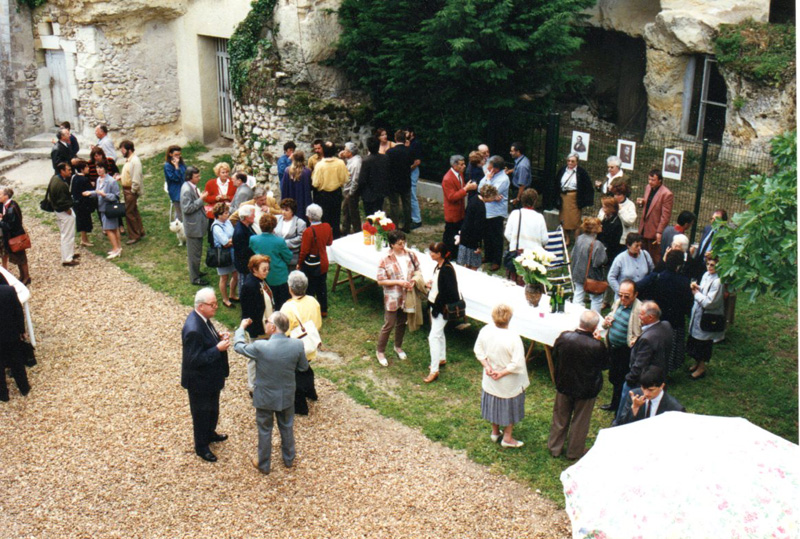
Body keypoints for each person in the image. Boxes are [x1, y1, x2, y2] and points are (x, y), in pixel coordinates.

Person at [234, 312, 308, 474]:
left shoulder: (261, 346)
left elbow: (238, 347)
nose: (265, 323)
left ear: (273, 327)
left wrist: (241, 329)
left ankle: (264, 464)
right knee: (287, 426)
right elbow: (303, 367)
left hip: (265, 397)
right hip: (287, 395)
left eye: (267, 321)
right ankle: (289, 459)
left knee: (265, 429)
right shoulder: (297, 345)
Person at [548, 310, 607, 460]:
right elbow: (605, 364)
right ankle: (574, 452)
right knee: (580, 421)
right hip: (586, 388)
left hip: (564, 383)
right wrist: (600, 342)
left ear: (580, 323)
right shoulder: (597, 346)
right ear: (594, 327)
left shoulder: (564, 337)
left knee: (560, 417)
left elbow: (555, 354)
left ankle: (555, 447)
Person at [181, 288, 231, 463]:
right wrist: (217, 349)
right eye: (213, 304)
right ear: (201, 306)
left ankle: (210, 434)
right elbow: (193, 360)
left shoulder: (204, 319)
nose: (216, 307)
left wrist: (217, 337)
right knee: (201, 414)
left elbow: (206, 340)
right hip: (199, 381)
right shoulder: (193, 329)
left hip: (210, 378)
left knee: (212, 410)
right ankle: (201, 447)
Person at [473, 303, 529, 448]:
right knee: (508, 406)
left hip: (491, 376)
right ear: (509, 318)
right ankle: (507, 438)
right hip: (507, 380)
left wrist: (487, 367)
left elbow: (478, 350)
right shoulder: (513, 337)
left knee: (494, 402)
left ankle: (495, 432)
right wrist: (501, 372)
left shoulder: (486, 330)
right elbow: (517, 363)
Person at [636, 249, 693, 373]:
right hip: (675, 321)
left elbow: (638, 288)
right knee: (672, 347)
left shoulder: (656, 277)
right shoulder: (683, 282)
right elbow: (688, 303)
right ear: (679, 265)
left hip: (656, 319)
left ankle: (653, 366)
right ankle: (668, 368)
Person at [615, 301, 672, 421]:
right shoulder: (666, 326)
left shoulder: (647, 339)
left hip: (642, 379)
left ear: (650, 317)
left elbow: (639, 365)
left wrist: (629, 379)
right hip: (659, 374)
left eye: (641, 314)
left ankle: (619, 422)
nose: (638, 317)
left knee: (626, 405)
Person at [375, 230, 419, 367]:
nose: (403, 246)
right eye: (399, 244)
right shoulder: (385, 259)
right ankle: (380, 351)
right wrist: (398, 282)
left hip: (407, 295)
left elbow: (418, 270)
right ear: (392, 244)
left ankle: (397, 346)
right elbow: (380, 281)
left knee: (402, 322)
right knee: (389, 324)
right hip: (393, 297)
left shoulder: (411, 255)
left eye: (404, 242)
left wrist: (414, 281)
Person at [280, 270, 321, 414]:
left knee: (295, 377)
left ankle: (300, 406)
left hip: (296, 348)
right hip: (310, 346)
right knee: (306, 369)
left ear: (290, 288)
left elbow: (284, 331)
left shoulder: (287, 307)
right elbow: (318, 324)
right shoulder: (313, 301)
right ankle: (311, 392)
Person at [599, 279, 642, 413]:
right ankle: (614, 404)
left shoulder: (639, 310)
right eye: (620, 295)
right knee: (614, 377)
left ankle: (619, 409)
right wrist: (607, 321)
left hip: (625, 351)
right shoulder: (618, 302)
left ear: (635, 295)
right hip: (613, 348)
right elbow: (611, 316)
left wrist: (636, 339)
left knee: (621, 380)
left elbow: (643, 331)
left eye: (627, 296)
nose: (622, 299)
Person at [423, 242, 460, 383]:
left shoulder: (447, 269)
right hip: (435, 306)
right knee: (439, 333)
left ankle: (434, 370)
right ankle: (442, 358)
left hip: (441, 309)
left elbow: (450, 293)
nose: (430, 254)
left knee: (433, 337)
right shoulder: (439, 266)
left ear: (440, 254)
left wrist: (437, 308)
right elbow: (440, 286)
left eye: (433, 252)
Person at [687, 257, 724, 380]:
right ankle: (696, 362)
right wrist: (697, 288)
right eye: (708, 264)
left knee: (703, 343)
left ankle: (702, 367)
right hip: (698, 312)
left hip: (707, 315)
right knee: (695, 341)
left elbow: (710, 302)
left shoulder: (718, 281)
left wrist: (696, 294)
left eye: (712, 265)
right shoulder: (706, 275)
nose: (709, 267)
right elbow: (704, 290)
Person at [250, 213, 293, 310]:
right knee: (282, 303)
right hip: (279, 275)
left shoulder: (253, 239)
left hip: (262, 274)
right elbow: (288, 256)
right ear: (273, 226)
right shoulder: (279, 241)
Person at [616, 366, 685, 425]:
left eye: (651, 390)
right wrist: (634, 408)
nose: (646, 393)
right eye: (643, 388)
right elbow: (621, 425)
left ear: (661, 386)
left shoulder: (675, 408)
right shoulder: (635, 396)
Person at [298, 203, 333, 317]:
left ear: (308, 217)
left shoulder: (308, 231)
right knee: (322, 286)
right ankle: (323, 310)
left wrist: (299, 263)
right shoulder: (327, 226)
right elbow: (329, 242)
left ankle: (311, 311)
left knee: (310, 288)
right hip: (323, 261)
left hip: (311, 264)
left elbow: (304, 251)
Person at [635, 169, 673, 265]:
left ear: (660, 180)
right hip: (644, 227)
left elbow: (665, 216)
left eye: (653, 180)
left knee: (653, 256)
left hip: (654, 229)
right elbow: (650, 203)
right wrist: (642, 202)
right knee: (642, 253)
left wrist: (659, 231)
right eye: (649, 179)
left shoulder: (666, 194)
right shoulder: (648, 187)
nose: (650, 182)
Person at [478, 155, 510, 272]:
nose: (488, 169)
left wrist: (488, 191)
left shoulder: (503, 179)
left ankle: (496, 260)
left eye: (490, 167)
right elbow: (480, 188)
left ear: (496, 169)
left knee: (496, 237)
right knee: (487, 234)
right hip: (487, 209)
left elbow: (489, 193)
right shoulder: (490, 176)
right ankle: (488, 255)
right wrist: (487, 179)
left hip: (497, 212)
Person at [570, 217, 608, 314]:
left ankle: (575, 316)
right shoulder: (597, 244)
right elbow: (599, 261)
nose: (602, 226)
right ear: (595, 228)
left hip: (578, 272)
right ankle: (594, 320)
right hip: (592, 276)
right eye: (600, 225)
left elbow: (572, 254)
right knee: (596, 299)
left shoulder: (579, 238)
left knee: (578, 296)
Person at [441, 154, 476, 257]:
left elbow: (460, 189)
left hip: (460, 211)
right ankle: (447, 253)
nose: (464, 166)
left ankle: (455, 252)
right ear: (454, 165)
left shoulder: (459, 174)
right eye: (461, 164)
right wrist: (466, 189)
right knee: (450, 234)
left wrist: (466, 187)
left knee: (458, 232)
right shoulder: (447, 179)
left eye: (464, 163)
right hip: (452, 213)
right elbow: (451, 197)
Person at [311, 141, 348, 239]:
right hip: (336, 193)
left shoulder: (319, 165)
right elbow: (345, 179)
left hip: (323, 195)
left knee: (325, 219)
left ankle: (325, 240)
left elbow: (315, 183)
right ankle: (335, 239)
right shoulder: (340, 163)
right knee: (336, 218)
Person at [180, 166, 210, 286]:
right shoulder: (187, 189)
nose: (199, 178)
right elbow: (187, 208)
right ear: (189, 177)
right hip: (193, 227)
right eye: (196, 176)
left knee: (197, 252)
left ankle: (196, 272)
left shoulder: (191, 187)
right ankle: (195, 278)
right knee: (194, 254)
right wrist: (201, 199)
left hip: (197, 225)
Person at [0, 284, 30, 402]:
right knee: (16, 361)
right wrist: (22, 331)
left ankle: (3, 394)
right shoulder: (9, 291)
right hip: (10, 334)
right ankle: (24, 388)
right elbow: (18, 312)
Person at [86, 162, 123, 259]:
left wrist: (105, 195)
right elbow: (98, 192)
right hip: (102, 207)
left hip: (109, 208)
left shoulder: (111, 181)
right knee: (114, 228)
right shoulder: (98, 179)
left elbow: (116, 196)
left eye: (101, 167)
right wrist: (91, 193)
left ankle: (116, 248)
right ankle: (118, 247)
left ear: (105, 169)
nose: (98, 170)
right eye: (97, 167)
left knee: (108, 229)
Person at [554, 153, 593, 242]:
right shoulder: (562, 170)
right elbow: (556, 183)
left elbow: (587, 186)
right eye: (568, 161)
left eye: (573, 161)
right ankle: (567, 238)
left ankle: (576, 239)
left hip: (575, 198)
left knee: (576, 220)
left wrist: (585, 200)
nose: (570, 163)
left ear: (577, 162)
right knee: (563, 219)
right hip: (563, 197)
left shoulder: (581, 172)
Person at [457, 184, 496, 270]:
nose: (493, 200)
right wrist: (478, 245)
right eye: (493, 197)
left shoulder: (473, 198)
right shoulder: (481, 207)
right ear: (488, 196)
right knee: (474, 264)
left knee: (464, 262)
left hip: (464, 235)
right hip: (472, 240)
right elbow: (479, 227)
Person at [47, 162, 79, 267]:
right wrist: (67, 209)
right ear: (62, 171)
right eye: (68, 170)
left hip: (59, 210)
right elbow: (61, 201)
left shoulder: (55, 178)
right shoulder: (60, 184)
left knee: (67, 234)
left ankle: (70, 253)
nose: (70, 171)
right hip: (64, 212)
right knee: (67, 235)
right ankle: (67, 259)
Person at [608, 232, 653, 300]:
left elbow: (652, 271)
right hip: (625, 297)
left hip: (642, 295)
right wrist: (621, 292)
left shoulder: (645, 255)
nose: (639, 248)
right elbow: (611, 277)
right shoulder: (620, 258)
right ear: (628, 245)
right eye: (636, 246)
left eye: (640, 245)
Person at [0, 187, 31, 284]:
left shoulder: (10, 208)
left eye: (0, 195)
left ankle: (26, 277)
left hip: (15, 236)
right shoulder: (10, 205)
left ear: (6, 196)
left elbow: (10, 225)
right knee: (18, 257)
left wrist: (1, 221)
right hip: (14, 235)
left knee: (21, 257)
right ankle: (22, 275)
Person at [118, 140, 146, 245]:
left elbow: (136, 177)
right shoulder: (129, 161)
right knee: (134, 211)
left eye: (123, 149)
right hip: (127, 189)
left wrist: (133, 191)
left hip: (130, 191)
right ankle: (140, 231)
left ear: (129, 149)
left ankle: (134, 235)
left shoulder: (135, 161)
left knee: (129, 213)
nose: (122, 152)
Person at [504, 188, 549, 253]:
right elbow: (545, 240)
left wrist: (515, 241)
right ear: (535, 201)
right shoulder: (539, 217)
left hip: (516, 252)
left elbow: (507, 234)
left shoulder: (515, 214)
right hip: (534, 254)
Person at [687, 209, 727, 281]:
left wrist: (714, 255)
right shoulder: (707, 228)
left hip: (709, 267)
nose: (713, 222)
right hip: (698, 263)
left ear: (723, 223)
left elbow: (724, 255)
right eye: (712, 219)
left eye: (716, 220)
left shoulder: (724, 237)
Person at [241, 254, 273, 341]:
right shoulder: (249, 286)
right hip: (257, 330)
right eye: (264, 269)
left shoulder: (261, 279)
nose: (267, 271)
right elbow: (249, 311)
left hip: (266, 325)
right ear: (254, 269)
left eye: (268, 269)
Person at [211, 203, 237, 308]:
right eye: (225, 213)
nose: (228, 214)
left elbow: (233, 236)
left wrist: (232, 240)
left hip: (232, 252)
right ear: (219, 215)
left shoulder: (228, 222)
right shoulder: (216, 227)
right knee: (224, 277)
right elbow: (225, 242)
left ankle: (232, 294)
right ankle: (225, 299)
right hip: (222, 254)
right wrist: (234, 240)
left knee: (236, 275)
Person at [385, 130, 413, 232]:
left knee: (394, 205)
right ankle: (407, 226)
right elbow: (411, 163)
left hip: (394, 182)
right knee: (407, 204)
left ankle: (395, 226)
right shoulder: (408, 151)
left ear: (395, 139)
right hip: (405, 180)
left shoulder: (390, 152)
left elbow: (387, 166)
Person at [357, 137, 389, 216]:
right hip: (381, 192)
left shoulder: (366, 161)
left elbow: (362, 179)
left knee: (370, 216)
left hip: (369, 194)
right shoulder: (385, 158)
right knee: (379, 215)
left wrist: (360, 192)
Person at [281, 150, 313, 222]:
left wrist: (283, 204)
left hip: (290, 199)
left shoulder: (287, 171)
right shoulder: (307, 172)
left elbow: (284, 188)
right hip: (303, 201)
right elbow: (310, 187)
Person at [232, 204, 256, 297]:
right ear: (246, 217)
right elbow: (242, 252)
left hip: (245, 263)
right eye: (253, 214)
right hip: (243, 265)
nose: (254, 216)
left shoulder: (246, 226)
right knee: (243, 285)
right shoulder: (240, 232)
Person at [275, 198, 306, 268]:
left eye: (286, 210)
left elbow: (301, 238)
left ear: (292, 211)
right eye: (282, 209)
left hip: (292, 257)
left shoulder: (300, 222)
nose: (283, 212)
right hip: (278, 257)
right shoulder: (277, 219)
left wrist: (284, 243)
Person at [70, 160, 95, 248]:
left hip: (76, 203)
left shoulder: (74, 177)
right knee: (84, 221)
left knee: (80, 221)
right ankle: (84, 240)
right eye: (86, 167)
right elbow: (91, 190)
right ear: (82, 169)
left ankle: (84, 238)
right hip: (84, 204)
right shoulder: (84, 179)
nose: (88, 168)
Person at [341, 142, 363, 235]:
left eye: (345, 150)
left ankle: (357, 231)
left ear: (350, 153)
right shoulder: (351, 160)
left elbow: (355, 179)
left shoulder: (356, 163)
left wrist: (351, 193)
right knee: (346, 210)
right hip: (347, 190)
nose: (343, 151)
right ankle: (345, 230)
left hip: (351, 191)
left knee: (353, 212)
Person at [405, 127, 423, 229]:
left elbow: (417, 161)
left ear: (411, 133)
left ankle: (417, 219)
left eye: (406, 131)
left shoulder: (416, 144)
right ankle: (412, 216)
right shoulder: (408, 143)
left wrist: (409, 168)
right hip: (409, 170)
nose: (405, 133)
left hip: (413, 171)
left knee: (412, 194)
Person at [597, 196, 624, 262]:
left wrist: (600, 232)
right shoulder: (606, 218)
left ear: (611, 209)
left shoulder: (615, 223)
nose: (603, 209)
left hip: (610, 252)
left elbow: (611, 241)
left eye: (605, 207)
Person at [164, 145, 186, 221]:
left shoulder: (181, 163)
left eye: (179, 154)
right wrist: (176, 167)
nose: (178, 157)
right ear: (170, 154)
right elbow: (176, 178)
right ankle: (180, 227)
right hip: (176, 191)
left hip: (184, 188)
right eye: (176, 155)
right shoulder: (167, 166)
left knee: (185, 210)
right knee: (180, 213)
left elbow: (185, 174)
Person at [506, 142, 531, 207]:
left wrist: (517, 198)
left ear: (518, 152)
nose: (510, 153)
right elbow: (517, 169)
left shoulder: (522, 166)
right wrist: (509, 171)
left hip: (519, 192)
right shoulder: (522, 160)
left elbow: (522, 185)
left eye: (512, 151)